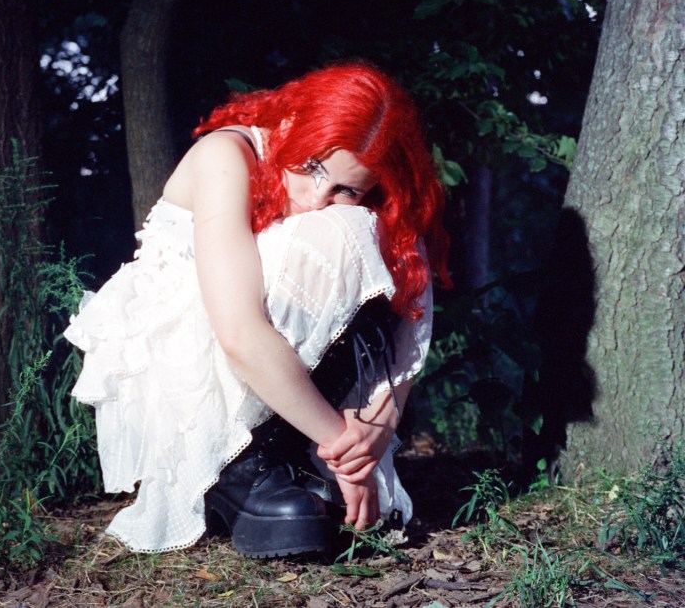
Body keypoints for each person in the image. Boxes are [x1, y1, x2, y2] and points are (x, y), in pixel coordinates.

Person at [65, 61, 449, 557]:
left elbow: (413, 295)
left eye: (346, 188)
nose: (317, 198)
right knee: (341, 232)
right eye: (313, 168)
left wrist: (379, 426)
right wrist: (342, 450)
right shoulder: (225, 156)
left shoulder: (334, 198)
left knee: (383, 232)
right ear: (290, 124)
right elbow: (240, 332)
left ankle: (291, 452)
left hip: (272, 377)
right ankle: (239, 467)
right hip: (181, 375)